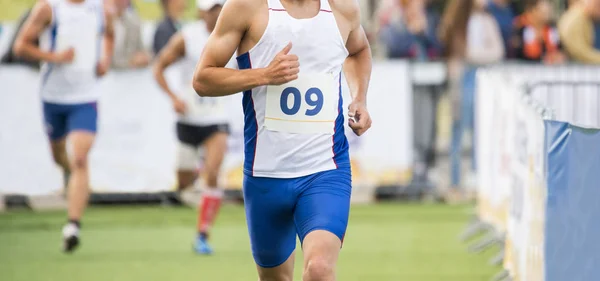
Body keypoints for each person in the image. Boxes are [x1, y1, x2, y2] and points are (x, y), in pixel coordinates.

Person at [193, 0, 372, 279]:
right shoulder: (246, 8)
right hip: (266, 177)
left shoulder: (342, 8)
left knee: (320, 270)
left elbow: (359, 50)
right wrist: (264, 75)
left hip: (325, 172)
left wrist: (359, 97)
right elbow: (203, 79)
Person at [13, 0, 114, 253]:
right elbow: (21, 46)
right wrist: (54, 57)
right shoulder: (49, 8)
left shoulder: (99, 8)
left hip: (86, 97)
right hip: (53, 97)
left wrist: (105, 59)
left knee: (80, 158)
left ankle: (73, 226)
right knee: (60, 156)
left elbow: (109, 33)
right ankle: (71, 177)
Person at [153, 0, 230, 255]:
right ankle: (197, 176)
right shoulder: (186, 37)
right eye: (212, 9)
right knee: (184, 182)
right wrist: (173, 97)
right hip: (189, 117)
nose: (216, 13)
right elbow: (159, 68)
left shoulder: (233, 35)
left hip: (217, 118)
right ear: (201, 12)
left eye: (220, 8)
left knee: (214, 173)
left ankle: (202, 235)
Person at [439, 0, 504, 202]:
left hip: (481, 78)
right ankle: (455, 182)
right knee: (458, 129)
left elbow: (497, 52)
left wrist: (474, 56)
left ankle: (478, 181)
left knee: (480, 130)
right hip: (461, 78)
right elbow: (455, 50)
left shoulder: (487, 20)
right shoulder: (456, 21)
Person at [110, 0, 151, 69]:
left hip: (130, 75)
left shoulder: (134, 21)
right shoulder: (102, 22)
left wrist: (144, 57)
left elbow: (144, 51)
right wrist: (130, 62)